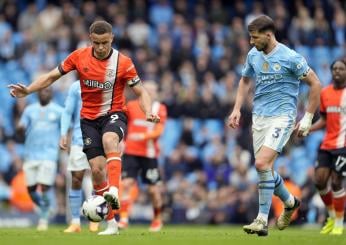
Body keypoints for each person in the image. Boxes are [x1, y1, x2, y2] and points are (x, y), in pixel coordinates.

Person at [8, 20, 160, 235]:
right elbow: (51, 76)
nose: (100, 47)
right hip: (88, 120)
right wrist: (28, 91)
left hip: (114, 114)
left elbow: (141, 91)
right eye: (96, 43)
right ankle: (112, 224)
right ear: (91, 39)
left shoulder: (123, 62)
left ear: (112, 39)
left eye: (105, 43)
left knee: (110, 140)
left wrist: (147, 111)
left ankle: (114, 190)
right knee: (97, 172)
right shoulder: (78, 57)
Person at [227, 15, 322, 236]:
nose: (251, 42)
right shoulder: (253, 55)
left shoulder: (290, 57)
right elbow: (245, 80)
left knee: (260, 164)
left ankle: (261, 219)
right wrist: (236, 109)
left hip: (283, 117)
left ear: (268, 35)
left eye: (255, 37)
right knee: (265, 169)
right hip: (259, 118)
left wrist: (307, 118)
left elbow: (315, 84)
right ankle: (290, 202)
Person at [118, 81, 167, 232]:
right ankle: (124, 219)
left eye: (153, 90)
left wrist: (144, 136)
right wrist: (121, 140)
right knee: (126, 184)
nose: (150, 93)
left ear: (157, 93)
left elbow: (159, 130)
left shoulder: (160, 108)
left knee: (153, 190)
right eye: (148, 90)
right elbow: (123, 123)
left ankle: (157, 218)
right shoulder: (132, 105)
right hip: (131, 152)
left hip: (149, 154)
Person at [17, 87, 63, 231]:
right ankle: (46, 207)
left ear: (51, 94)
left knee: (44, 186)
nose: (44, 93)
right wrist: (20, 129)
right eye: (42, 91)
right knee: (31, 189)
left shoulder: (59, 111)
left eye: (47, 91)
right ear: (38, 94)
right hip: (31, 154)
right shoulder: (29, 110)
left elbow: (65, 129)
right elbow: (22, 126)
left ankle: (43, 219)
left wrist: (64, 141)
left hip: (49, 154)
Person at [309, 59, 346, 235]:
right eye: (335, 69)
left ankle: (339, 222)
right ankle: (332, 216)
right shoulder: (325, 93)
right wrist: (308, 128)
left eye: (341, 69)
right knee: (319, 181)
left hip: (343, 146)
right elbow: (324, 119)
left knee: (337, 182)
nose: (337, 71)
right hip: (327, 144)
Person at [60, 81, 98, 233]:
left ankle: (94, 218)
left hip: (99, 137)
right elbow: (68, 111)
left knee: (97, 177)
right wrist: (63, 133)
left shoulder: (106, 82)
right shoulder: (76, 86)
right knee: (76, 178)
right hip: (78, 137)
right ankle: (75, 222)